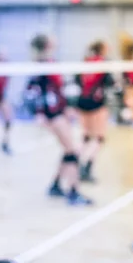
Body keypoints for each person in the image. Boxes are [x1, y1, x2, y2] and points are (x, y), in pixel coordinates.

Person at [27, 34, 92, 206]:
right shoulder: (41, 65)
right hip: (52, 113)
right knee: (73, 151)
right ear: (46, 44)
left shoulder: (50, 62)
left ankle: (56, 185)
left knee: (69, 149)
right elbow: (33, 91)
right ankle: (73, 192)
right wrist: (39, 112)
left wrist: (67, 108)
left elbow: (58, 89)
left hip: (58, 111)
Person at [76, 41, 114, 182]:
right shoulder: (104, 63)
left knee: (86, 137)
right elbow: (110, 82)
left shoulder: (86, 61)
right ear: (102, 49)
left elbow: (77, 79)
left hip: (82, 100)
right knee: (99, 137)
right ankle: (87, 167)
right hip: (96, 102)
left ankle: (76, 161)